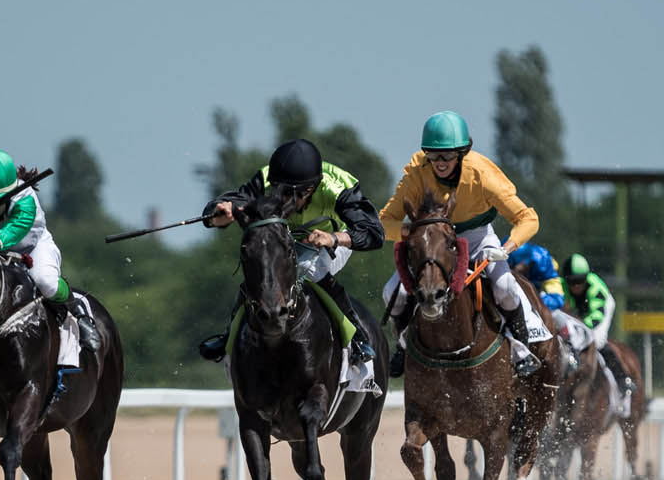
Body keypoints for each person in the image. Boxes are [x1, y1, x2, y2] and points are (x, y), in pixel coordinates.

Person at [379, 111, 549, 378]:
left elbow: (528, 218)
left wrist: (507, 248)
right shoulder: (417, 170)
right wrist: (410, 232)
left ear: (461, 152)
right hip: (433, 240)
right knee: (392, 293)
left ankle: (521, 350)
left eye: (446, 155)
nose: (439, 162)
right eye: (433, 155)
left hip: (478, 237)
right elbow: (385, 220)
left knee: (505, 286)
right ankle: (403, 346)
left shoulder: (482, 174)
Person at [197, 138, 384, 363]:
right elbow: (219, 209)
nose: (283, 199)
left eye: (291, 195)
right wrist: (220, 213)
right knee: (262, 267)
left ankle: (357, 336)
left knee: (307, 267)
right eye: (279, 191)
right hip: (285, 239)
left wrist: (334, 238)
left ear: (311, 189)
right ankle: (229, 335)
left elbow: (374, 234)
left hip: (331, 239)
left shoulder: (338, 188)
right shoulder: (266, 179)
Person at [0, 146, 99, 351]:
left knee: (46, 283)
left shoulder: (25, 200)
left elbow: (17, 226)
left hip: (31, 250)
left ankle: (78, 309)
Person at [560, 253, 634, 396]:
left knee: (598, 341)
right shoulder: (561, 285)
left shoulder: (596, 288)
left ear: (586, 278)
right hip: (580, 313)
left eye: (579, 281)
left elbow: (596, 316)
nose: (575, 286)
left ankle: (623, 379)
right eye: (571, 281)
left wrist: (580, 327)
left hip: (600, 310)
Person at [509, 242, 583, 372]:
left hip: (536, 299)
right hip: (511, 296)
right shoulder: (505, 251)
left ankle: (571, 351)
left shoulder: (543, 260)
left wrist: (535, 302)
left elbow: (557, 298)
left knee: (558, 316)